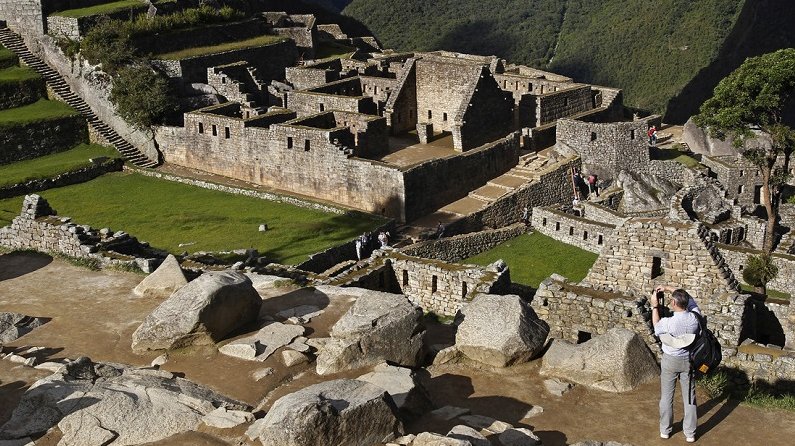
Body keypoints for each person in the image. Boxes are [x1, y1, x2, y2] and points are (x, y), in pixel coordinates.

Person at [651, 285, 701, 443]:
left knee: (666, 397)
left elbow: (656, 326)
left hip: (670, 360)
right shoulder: (695, 317)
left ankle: (665, 430)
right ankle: (690, 433)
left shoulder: (668, 323)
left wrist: (654, 306)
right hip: (689, 360)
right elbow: (690, 299)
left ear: (673, 303)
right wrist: (668, 288)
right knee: (689, 398)